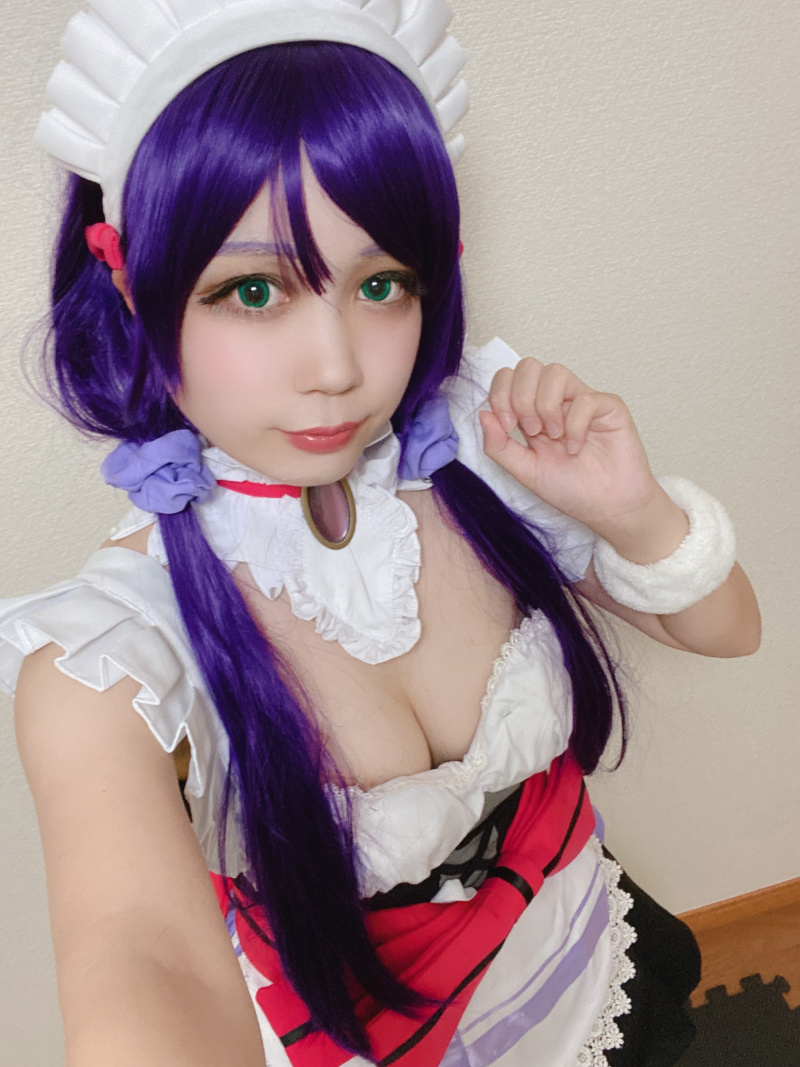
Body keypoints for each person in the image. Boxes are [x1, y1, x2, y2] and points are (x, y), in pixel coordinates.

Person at [1, 3, 760, 1065]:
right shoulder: (110, 658)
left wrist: (630, 512)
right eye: (252, 289)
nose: (337, 367)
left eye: (381, 283)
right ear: (132, 282)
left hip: (590, 961)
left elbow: (729, 630)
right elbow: (142, 953)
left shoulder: (481, 446)